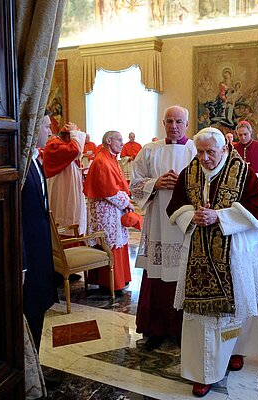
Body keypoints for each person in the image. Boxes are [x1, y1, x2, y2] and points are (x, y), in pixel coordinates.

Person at [167, 127, 258, 397]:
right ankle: (204, 371)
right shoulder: (189, 172)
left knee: (240, 304)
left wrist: (221, 217)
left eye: (209, 152)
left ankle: (237, 350)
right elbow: (176, 203)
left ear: (224, 149)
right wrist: (191, 215)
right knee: (202, 318)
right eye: (200, 152)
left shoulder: (243, 172)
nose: (203, 158)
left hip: (235, 250)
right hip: (199, 254)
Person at [130, 105, 197, 350]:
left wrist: (184, 185)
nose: (174, 126)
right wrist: (155, 183)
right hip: (157, 222)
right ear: (163, 123)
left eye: (179, 121)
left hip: (184, 225)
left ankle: (182, 329)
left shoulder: (195, 150)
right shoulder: (149, 150)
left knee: (182, 274)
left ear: (187, 124)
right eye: (169, 121)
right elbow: (134, 185)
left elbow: (207, 184)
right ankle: (156, 328)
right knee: (157, 275)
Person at [21, 112, 58, 352]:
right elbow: (18, 217)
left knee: (39, 307)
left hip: (41, 250)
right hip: (29, 254)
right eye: (46, 127)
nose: (50, 132)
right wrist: (22, 262)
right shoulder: (22, 164)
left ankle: (36, 368)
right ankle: (30, 370)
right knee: (31, 309)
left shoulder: (35, 159)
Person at [83, 130, 134, 293]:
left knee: (117, 240)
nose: (122, 143)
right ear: (109, 141)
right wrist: (127, 203)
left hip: (113, 209)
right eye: (119, 140)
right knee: (109, 242)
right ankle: (109, 283)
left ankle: (119, 279)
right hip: (106, 211)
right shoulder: (102, 160)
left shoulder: (110, 158)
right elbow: (109, 191)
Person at [42, 122, 87, 235]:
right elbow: (76, 150)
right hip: (62, 188)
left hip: (69, 187)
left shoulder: (63, 145)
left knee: (73, 212)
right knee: (64, 214)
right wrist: (74, 132)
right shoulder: (54, 145)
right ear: (68, 136)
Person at [233, 121, 258, 191]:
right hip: (239, 185)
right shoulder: (233, 149)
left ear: (251, 132)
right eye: (240, 135)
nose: (243, 137)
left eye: (245, 134)